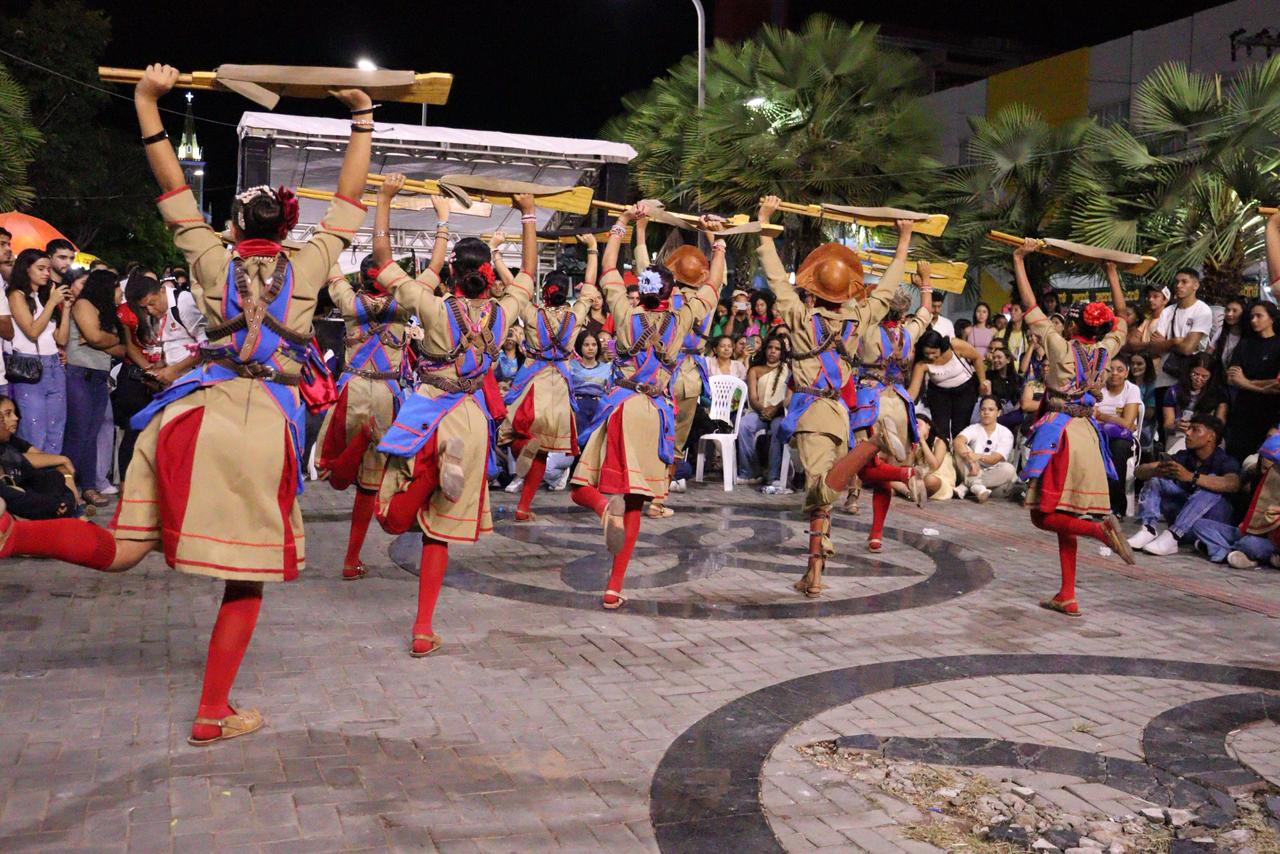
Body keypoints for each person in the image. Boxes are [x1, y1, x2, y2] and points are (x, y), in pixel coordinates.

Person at [0, 65, 374, 745]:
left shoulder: (206, 256)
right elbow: (350, 199)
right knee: (247, 578)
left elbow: (171, 183)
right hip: (260, 426)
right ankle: (211, 711)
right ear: (290, 226)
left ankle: (15, 534)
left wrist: (147, 101)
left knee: (123, 549)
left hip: (188, 414)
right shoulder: (314, 261)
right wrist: (362, 120)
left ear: (234, 223)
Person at [369, 173, 539, 647]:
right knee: (439, 531)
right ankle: (423, 628)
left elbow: (384, 263)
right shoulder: (504, 313)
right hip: (470, 414)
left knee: (391, 510)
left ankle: (423, 477)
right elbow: (527, 271)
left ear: (450, 275)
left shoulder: (434, 305)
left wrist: (385, 198)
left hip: (427, 407)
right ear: (489, 275)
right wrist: (526, 210)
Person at [757, 196, 915, 597]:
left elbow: (775, 276)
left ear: (812, 289)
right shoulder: (859, 317)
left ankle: (873, 447)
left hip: (811, 412)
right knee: (819, 498)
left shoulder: (797, 315)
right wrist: (904, 242)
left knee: (820, 490)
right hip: (839, 412)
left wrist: (764, 224)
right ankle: (814, 572)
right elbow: (889, 287)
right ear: (847, 291)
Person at [569, 203, 721, 609]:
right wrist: (718, 243)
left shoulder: (622, 310)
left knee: (581, 486)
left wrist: (620, 225)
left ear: (642, 289)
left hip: (621, 405)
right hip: (656, 414)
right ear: (670, 293)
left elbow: (607, 271)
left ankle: (604, 509)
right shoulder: (683, 317)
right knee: (636, 501)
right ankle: (614, 587)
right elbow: (713, 286)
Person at [1011, 239, 1135, 618]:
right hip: (1088, 435)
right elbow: (1124, 318)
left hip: (1060, 433)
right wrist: (1112, 271)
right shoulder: (1104, 351)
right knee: (1068, 516)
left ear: (1076, 324)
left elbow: (1030, 306)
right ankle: (1068, 594)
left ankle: (1102, 532)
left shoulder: (1060, 347)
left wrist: (1018, 259)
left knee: (1042, 514)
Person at [315, 253, 413, 580]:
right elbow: (430, 277)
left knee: (338, 470)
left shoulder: (347, 299)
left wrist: (332, 241)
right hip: (385, 396)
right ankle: (351, 558)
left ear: (360, 277)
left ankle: (343, 468)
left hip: (352, 391)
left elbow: (331, 272)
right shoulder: (403, 303)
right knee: (370, 486)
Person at [499, 233, 598, 523]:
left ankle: (522, 452)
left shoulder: (532, 313)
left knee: (513, 435)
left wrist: (497, 257)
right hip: (559, 392)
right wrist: (592, 249)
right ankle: (523, 507)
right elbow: (590, 288)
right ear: (567, 292)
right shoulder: (576, 314)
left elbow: (513, 287)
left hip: (533, 385)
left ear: (544, 290)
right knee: (543, 453)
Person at [848, 266, 932, 551]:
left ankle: (905, 476)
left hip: (872, 403)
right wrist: (926, 283)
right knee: (883, 468)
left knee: (863, 468)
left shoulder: (868, 329)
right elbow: (926, 313)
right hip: (899, 403)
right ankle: (876, 534)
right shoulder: (908, 333)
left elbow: (855, 307)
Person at [1128, 415, 1240, 556]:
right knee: (1156, 481)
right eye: (1188, 429)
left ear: (1211, 437)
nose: (1187, 433)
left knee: (1211, 485)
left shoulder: (1224, 460)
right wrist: (1157, 470)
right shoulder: (1185, 456)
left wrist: (1191, 477)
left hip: (1209, 528)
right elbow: (1139, 471)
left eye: (1195, 430)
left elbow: (1233, 484)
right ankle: (1148, 529)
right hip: (1185, 523)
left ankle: (1174, 535)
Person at [64, 269, 125, 508]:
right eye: (117, 287)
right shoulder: (84, 305)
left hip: (98, 378)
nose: (120, 292)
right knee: (78, 434)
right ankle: (67, 487)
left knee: (91, 434)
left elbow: (121, 348)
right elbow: (96, 337)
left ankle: (87, 486)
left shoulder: (106, 311)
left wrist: (101, 339)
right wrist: (104, 338)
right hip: (79, 375)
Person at [6, 248, 70, 453]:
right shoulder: (16, 295)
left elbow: (61, 338)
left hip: (54, 365)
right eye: (41, 268)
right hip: (29, 367)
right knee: (34, 430)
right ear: (26, 269)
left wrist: (66, 308)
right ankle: (34, 482)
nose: (46, 273)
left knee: (56, 427)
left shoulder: (44, 297)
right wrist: (52, 303)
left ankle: (52, 479)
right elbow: (32, 331)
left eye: (48, 269)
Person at [0, 396, 82, 518]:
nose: (15, 418)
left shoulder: (9, 441)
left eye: (14, 413)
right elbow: (14, 497)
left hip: (38, 500)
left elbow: (36, 460)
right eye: (7, 414)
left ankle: (76, 516)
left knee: (56, 475)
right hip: (22, 509)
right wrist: (54, 504)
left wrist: (64, 500)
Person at [906, 329, 988, 443]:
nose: (930, 357)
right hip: (939, 393)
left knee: (960, 427)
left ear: (941, 347)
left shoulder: (955, 345)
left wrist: (982, 381)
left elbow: (977, 357)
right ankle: (943, 456)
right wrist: (902, 403)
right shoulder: (922, 364)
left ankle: (959, 455)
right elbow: (913, 391)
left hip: (964, 390)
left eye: (934, 353)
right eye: (927, 354)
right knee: (940, 430)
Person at [1224, 301, 1280, 461]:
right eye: (1251, 317)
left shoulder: (1278, 345)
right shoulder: (1246, 343)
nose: (1254, 320)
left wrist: (1246, 383)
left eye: (1259, 316)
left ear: (1271, 318)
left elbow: (1277, 385)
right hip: (1242, 411)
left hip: (1270, 412)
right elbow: (1232, 377)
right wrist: (1262, 386)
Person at [1148, 269, 1213, 397]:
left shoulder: (1202, 310)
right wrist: (1175, 341)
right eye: (1177, 282)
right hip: (1165, 377)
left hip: (1191, 380)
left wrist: (1165, 343)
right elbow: (1152, 348)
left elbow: (1188, 349)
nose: (1178, 285)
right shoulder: (1168, 311)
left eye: (1184, 282)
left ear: (1196, 285)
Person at [737, 334, 791, 485]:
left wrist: (775, 409)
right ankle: (750, 472)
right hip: (759, 412)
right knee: (743, 425)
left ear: (782, 352)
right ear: (765, 350)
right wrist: (764, 410)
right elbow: (753, 398)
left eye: (777, 349)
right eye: (770, 348)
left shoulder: (789, 369)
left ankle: (774, 475)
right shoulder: (755, 370)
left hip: (780, 413)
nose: (773, 351)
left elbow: (788, 396)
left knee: (779, 427)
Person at [1094, 357, 1142, 516]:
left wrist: (1104, 416)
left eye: (1120, 370)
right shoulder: (1097, 388)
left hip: (1122, 439)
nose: (1114, 373)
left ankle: (1116, 505)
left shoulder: (1132, 389)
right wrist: (1117, 419)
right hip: (1097, 433)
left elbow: (1128, 424)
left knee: (1118, 449)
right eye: (1110, 369)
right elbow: (1091, 415)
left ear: (1126, 373)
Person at [953, 396, 1018, 502]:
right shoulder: (973, 428)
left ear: (998, 412)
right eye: (983, 409)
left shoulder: (1005, 433)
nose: (986, 412)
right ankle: (976, 487)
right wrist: (971, 461)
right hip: (972, 469)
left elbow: (995, 458)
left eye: (991, 410)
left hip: (994, 473)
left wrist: (978, 456)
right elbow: (958, 441)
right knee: (959, 450)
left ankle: (967, 486)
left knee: (1009, 469)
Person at [1161, 354, 1228, 454]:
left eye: (1204, 377)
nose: (1198, 379)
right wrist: (1177, 425)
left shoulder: (1218, 394)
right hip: (1180, 434)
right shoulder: (1174, 391)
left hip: (1206, 436)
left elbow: (1220, 425)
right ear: (1188, 372)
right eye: (1195, 374)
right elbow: (1167, 425)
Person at [569, 330, 611, 426]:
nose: (591, 348)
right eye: (586, 345)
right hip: (576, 407)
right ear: (580, 346)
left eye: (594, 345)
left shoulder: (607, 368)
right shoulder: (570, 366)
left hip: (599, 408)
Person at [1212, 298, 1245, 374]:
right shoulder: (1221, 331)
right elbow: (1209, 351)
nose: (1229, 314)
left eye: (1235, 311)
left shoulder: (1247, 337)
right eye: (1227, 310)